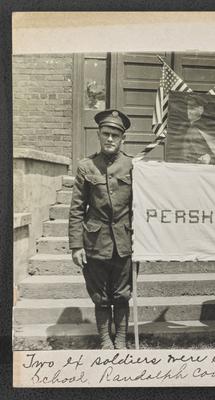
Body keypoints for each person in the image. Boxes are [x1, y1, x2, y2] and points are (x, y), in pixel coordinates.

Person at [68, 109, 133, 349]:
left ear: (122, 138)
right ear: (99, 134)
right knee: (100, 295)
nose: (110, 139)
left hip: (124, 242)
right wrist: (76, 246)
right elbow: (76, 209)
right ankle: (106, 340)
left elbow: (140, 207)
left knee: (122, 294)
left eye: (115, 135)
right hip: (95, 243)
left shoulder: (131, 166)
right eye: (106, 133)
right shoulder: (86, 166)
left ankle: (122, 339)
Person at [179, 94, 215, 164]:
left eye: (192, 108)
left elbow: (204, 156)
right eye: (188, 108)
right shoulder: (190, 127)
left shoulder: (195, 130)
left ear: (201, 110)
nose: (189, 111)